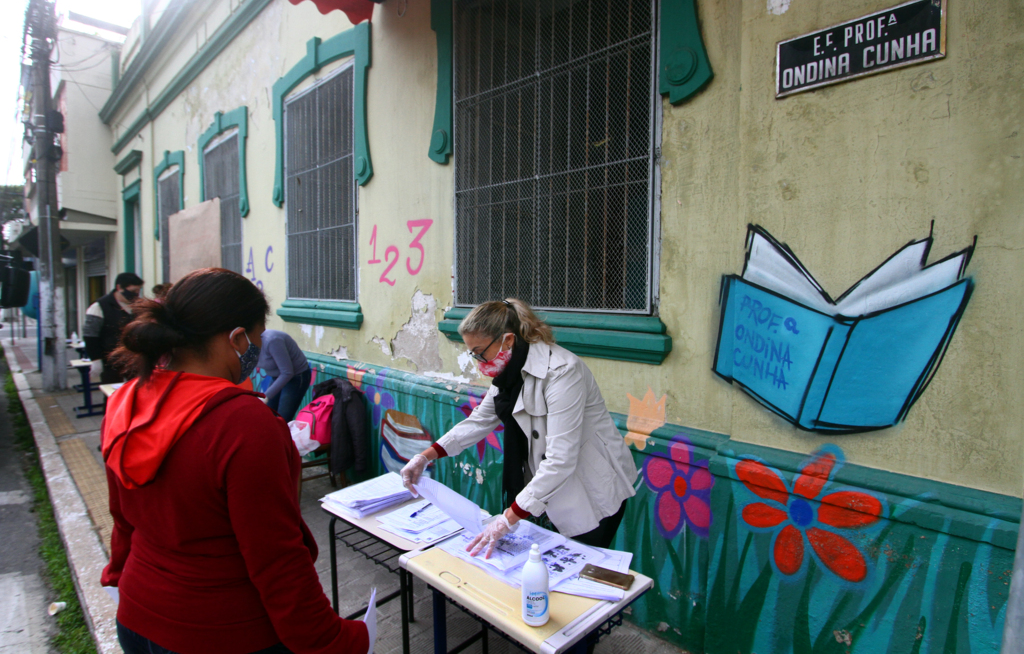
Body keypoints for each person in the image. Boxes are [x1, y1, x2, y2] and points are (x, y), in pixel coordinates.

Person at [100, 268, 372, 654]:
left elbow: (122, 518)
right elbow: (277, 560)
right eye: (258, 338)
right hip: (223, 632)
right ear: (238, 338)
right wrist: (332, 640)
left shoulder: (125, 400)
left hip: (136, 615)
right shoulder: (244, 424)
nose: (258, 350)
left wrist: (116, 574)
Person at [401, 299, 637, 558]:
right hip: (549, 488)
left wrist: (507, 519)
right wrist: (425, 457)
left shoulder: (562, 372)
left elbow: (561, 459)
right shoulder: (508, 372)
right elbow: (480, 420)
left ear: (508, 340)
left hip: (589, 491)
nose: (478, 361)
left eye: (480, 352)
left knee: (577, 569)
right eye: (473, 354)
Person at [83, 272, 143, 383]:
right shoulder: (99, 307)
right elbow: (90, 335)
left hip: (135, 359)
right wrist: (96, 359)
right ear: (119, 288)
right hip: (110, 360)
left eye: (138, 291)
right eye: (133, 291)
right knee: (113, 394)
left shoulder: (138, 306)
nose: (136, 294)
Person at [258, 329, 312, 422]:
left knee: (283, 419)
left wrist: (265, 396)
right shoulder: (244, 346)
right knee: (268, 415)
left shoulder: (272, 340)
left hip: (296, 376)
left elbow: (287, 372)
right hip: (277, 376)